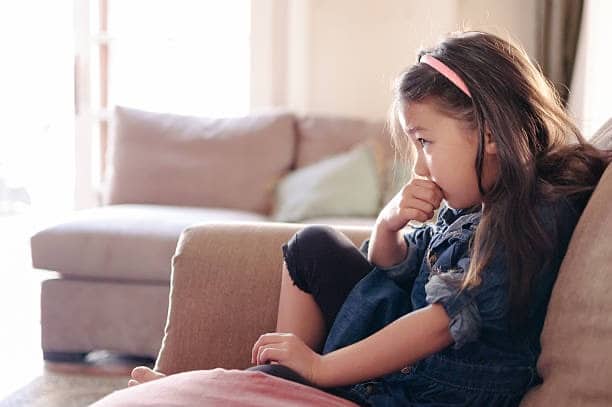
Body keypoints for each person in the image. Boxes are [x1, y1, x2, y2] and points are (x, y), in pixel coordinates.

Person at [128, 30, 611, 406]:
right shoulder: (473, 204)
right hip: (406, 346)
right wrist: (387, 226)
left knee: (304, 370)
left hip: (429, 387)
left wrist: (322, 367)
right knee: (311, 246)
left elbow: (441, 324)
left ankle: (272, 385)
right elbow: (394, 269)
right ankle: (274, 381)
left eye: (425, 142)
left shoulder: (531, 214)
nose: (420, 165)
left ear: (488, 133)